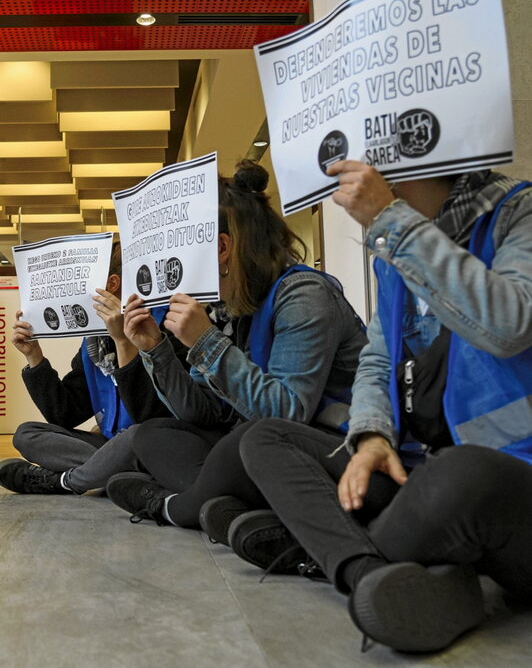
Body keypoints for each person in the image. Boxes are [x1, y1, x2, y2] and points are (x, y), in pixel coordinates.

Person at [225, 163, 532, 653]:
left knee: (462, 474)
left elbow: (508, 324)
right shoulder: (393, 250)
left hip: (506, 476)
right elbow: (378, 359)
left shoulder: (519, 212)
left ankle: (325, 549)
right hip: (421, 465)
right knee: (265, 439)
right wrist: (370, 436)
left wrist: (393, 220)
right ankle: (368, 575)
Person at [103, 160, 367, 534]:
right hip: (258, 445)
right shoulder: (235, 307)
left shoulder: (304, 294)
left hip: (331, 446)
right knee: (154, 435)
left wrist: (206, 342)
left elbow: (286, 413)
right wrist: (155, 349)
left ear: (222, 248)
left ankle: (178, 507)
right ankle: (232, 506)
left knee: (244, 441)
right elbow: (202, 413)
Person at [0, 238, 189, 495]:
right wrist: (34, 356)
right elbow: (65, 415)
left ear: (111, 284)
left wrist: (123, 341)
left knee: (136, 436)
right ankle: (115, 474)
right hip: (111, 445)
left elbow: (149, 416)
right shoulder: (94, 342)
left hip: (152, 442)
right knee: (26, 433)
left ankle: (65, 481)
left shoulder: (162, 325)